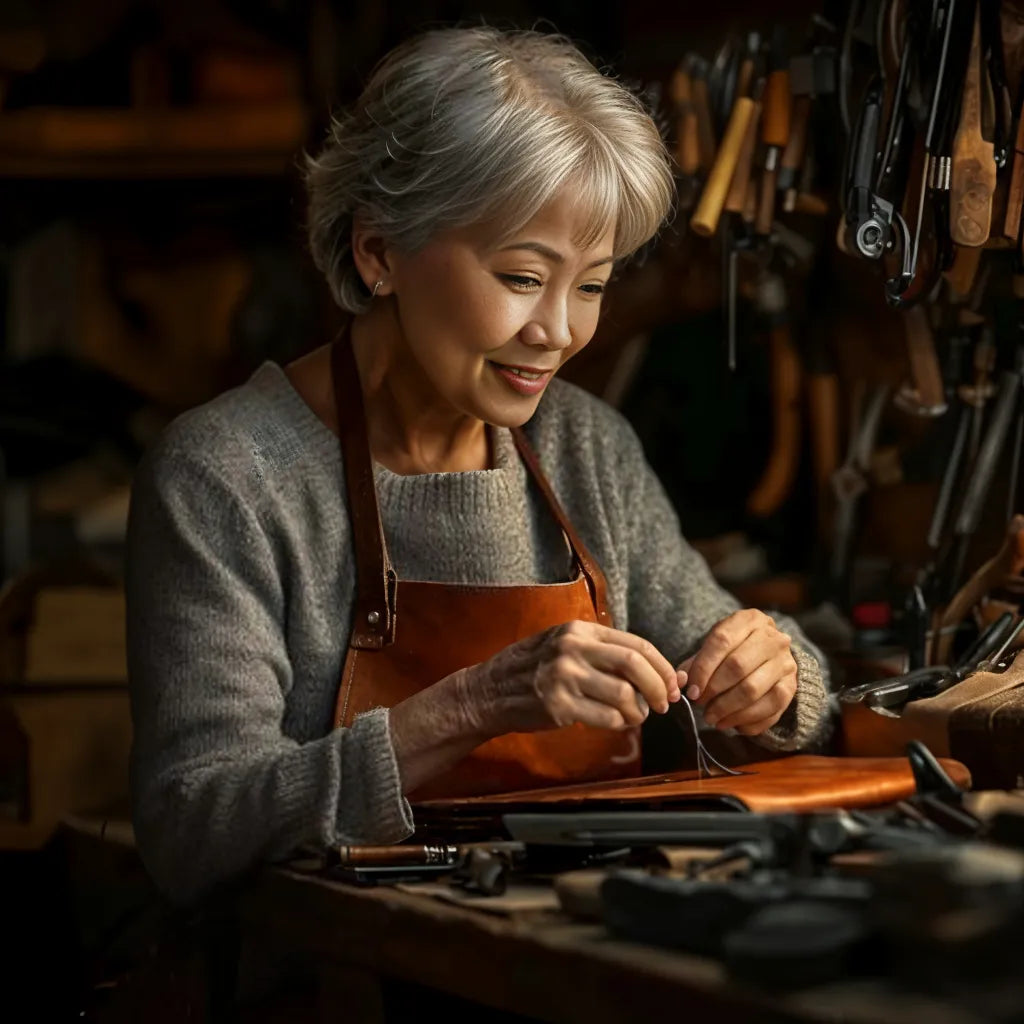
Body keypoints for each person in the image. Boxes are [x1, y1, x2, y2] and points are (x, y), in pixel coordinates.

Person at [126, 24, 833, 906]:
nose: (561, 333)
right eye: (523, 277)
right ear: (378, 252)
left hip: (570, 945)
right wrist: (475, 705)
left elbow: (751, 670)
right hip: (333, 984)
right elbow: (193, 825)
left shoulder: (587, 448)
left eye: (593, 285)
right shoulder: (227, 475)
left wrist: (775, 677)